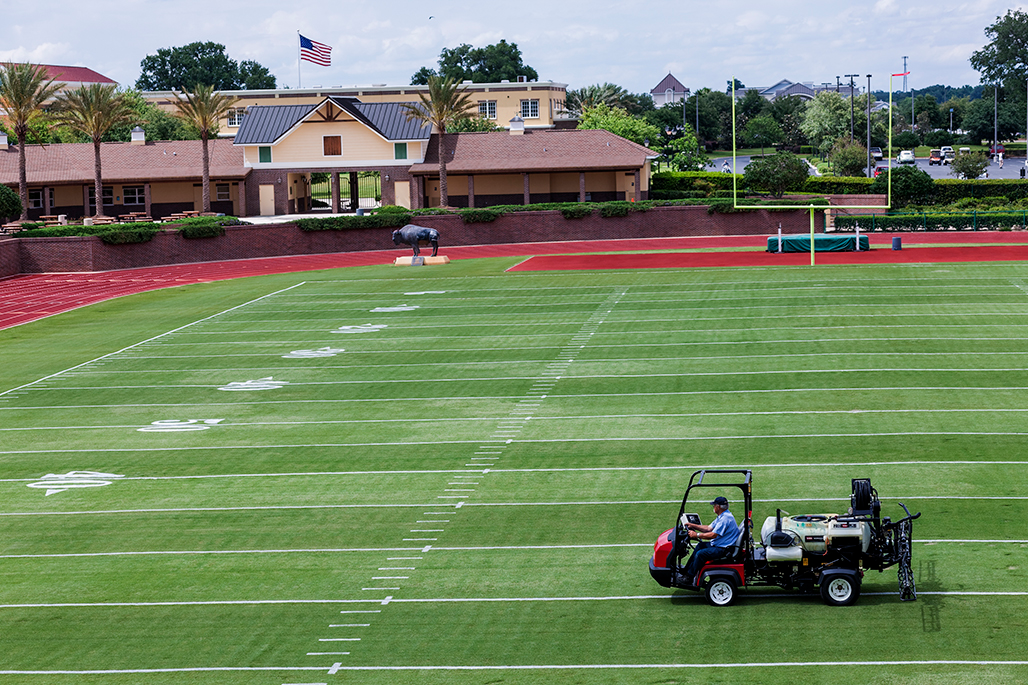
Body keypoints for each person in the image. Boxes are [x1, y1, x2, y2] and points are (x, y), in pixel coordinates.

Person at [680, 496, 741, 582]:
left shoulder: (725, 519)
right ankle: (686, 571)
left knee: (701, 554)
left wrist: (696, 535)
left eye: (714, 505)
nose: (713, 507)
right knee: (700, 546)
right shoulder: (723, 516)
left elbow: (713, 535)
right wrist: (693, 525)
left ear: (718, 507)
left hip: (724, 549)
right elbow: (708, 528)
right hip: (721, 545)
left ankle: (689, 577)